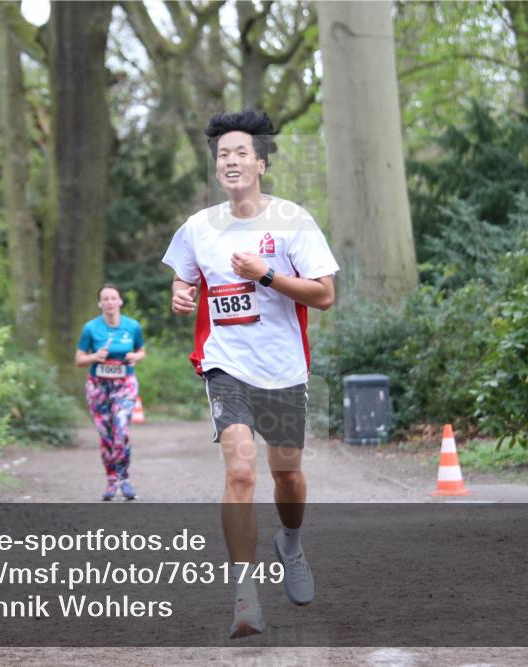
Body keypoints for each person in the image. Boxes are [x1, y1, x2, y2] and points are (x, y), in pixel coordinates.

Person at [162, 110, 338, 638]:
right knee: (240, 472)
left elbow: (325, 295)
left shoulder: (293, 221)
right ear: (217, 169)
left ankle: (291, 541)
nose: (231, 161)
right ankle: (244, 596)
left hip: (282, 367)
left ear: (260, 162)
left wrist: (266, 273)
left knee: (286, 475)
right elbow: (184, 285)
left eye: (240, 152)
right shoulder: (198, 228)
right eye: (222, 155)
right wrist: (180, 294)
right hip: (226, 364)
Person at [75, 283, 146, 501]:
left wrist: (135, 357)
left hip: (125, 384)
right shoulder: (90, 328)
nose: (109, 302)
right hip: (98, 386)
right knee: (106, 437)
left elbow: (141, 350)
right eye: (105, 299)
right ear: (99, 303)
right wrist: (94, 357)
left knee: (121, 430)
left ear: (120, 301)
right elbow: (79, 359)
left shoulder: (132, 326)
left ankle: (124, 479)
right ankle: (111, 480)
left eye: (113, 298)